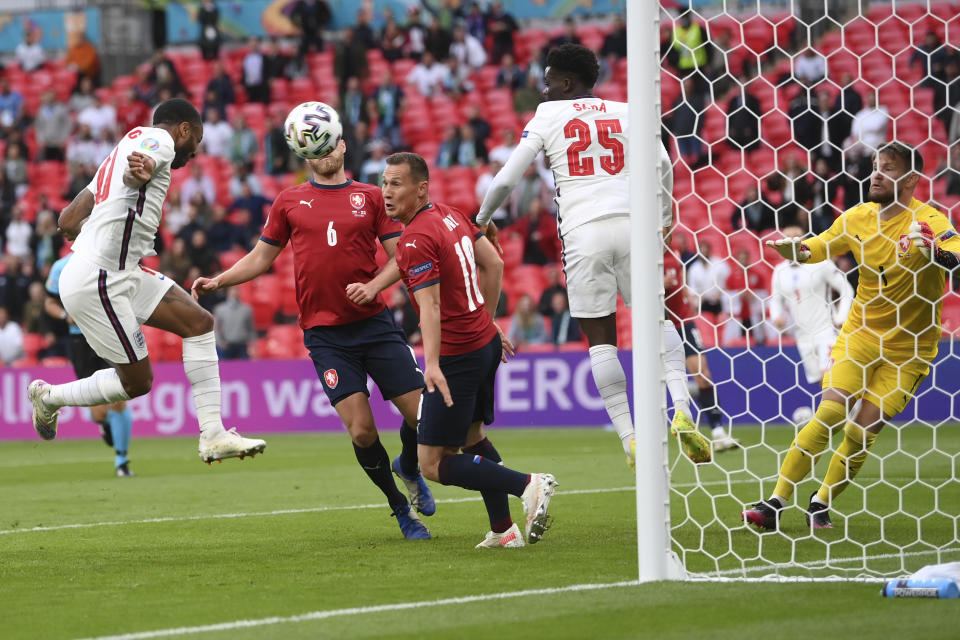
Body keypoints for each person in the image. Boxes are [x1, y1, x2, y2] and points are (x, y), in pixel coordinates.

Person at [192, 133, 435, 540]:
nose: (324, 154)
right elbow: (261, 257)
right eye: (315, 148)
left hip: (375, 326)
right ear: (305, 154)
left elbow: (403, 256)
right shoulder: (288, 201)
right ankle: (400, 508)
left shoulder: (372, 197)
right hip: (326, 336)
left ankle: (408, 465)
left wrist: (374, 286)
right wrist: (220, 280)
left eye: (330, 145)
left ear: (343, 146)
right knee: (361, 431)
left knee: (422, 417)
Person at [476, 44, 710, 468]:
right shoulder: (627, 110)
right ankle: (681, 409)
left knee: (601, 341)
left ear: (567, 82)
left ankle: (629, 437)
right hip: (635, 225)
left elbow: (509, 177)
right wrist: (663, 217)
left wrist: (481, 219)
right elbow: (662, 164)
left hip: (584, 232)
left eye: (548, 83)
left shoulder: (547, 116)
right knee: (657, 322)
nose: (544, 92)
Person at [28, 98, 265, 465]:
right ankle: (49, 398)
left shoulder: (123, 145)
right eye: (196, 141)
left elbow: (69, 217)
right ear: (184, 129)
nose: (194, 151)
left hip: (122, 272)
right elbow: (147, 160)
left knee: (200, 323)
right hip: (100, 279)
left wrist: (77, 223)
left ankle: (214, 435)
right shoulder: (161, 141)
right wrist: (143, 171)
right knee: (138, 383)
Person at [744, 142, 960, 530]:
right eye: (876, 166)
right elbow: (819, 246)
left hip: (910, 350)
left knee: (861, 431)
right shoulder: (857, 218)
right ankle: (773, 502)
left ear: (910, 179)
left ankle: (821, 501)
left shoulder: (931, 221)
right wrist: (797, 249)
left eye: (888, 169)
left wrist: (937, 253)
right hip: (859, 336)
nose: (876, 174)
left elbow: (956, 253)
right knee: (829, 412)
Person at [383, 151, 557, 548]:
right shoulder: (451, 214)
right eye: (384, 183)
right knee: (472, 436)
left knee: (431, 463)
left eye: (396, 184)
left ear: (420, 188)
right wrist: (490, 319)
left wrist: (430, 363)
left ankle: (528, 485)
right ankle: (503, 530)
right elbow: (493, 263)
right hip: (484, 343)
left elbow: (430, 305)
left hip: (456, 356)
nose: (387, 192)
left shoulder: (414, 239)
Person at [45, 253, 136, 476]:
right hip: (80, 342)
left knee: (119, 397)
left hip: (108, 335)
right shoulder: (61, 267)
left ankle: (122, 461)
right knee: (98, 412)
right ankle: (105, 426)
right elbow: (49, 302)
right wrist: (65, 314)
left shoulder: (110, 259)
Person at [663, 247, 739, 452]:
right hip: (659, 324)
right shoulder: (643, 253)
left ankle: (718, 432)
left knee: (703, 374)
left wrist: (688, 298)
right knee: (664, 378)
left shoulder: (674, 253)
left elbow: (681, 280)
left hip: (683, 321)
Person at [768, 224, 854, 387]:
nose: (792, 243)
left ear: (804, 241)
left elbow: (846, 289)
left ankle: (850, 412)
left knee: (830, 378)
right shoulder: (779, 271)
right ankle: (847, 411)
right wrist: (776, 316)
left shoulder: (820, 263)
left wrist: (841, 316)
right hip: (802, 334)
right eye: (788, 239)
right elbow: (775, 299)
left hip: (826, 329)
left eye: (796, 238)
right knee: (821, 383)